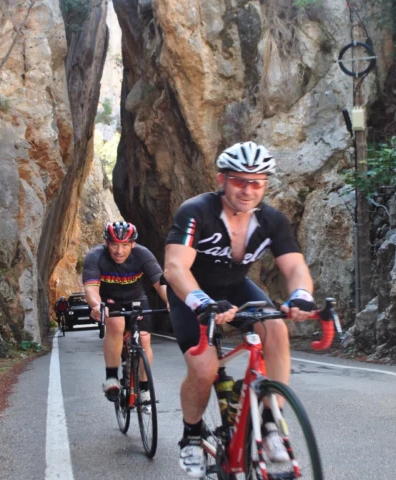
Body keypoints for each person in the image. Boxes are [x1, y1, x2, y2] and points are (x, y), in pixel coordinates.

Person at [161, 141, 317, 478]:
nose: (248, 190)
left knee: (276, 329)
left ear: (265, 184)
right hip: (191, 291)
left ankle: (271, 424)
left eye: (256, 183)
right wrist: (201, 303)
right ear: (222, 180)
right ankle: (191, 435)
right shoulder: (196, 211)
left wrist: (302, 294)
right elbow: (175, 267)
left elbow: (294, 266)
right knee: (205, 369)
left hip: (235, 287)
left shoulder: (272, 220)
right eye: (239, 181)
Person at [81, 221, 169, 406]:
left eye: (125, 245)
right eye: (114, 244)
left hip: (137, 298)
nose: (119, 251)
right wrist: (96, 305)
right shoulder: (95, 256)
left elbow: (159, 281)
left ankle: (144, 389)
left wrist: (171, 301)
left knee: (144, 339)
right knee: (116, 324)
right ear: (106, 243)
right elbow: (91, 288)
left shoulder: (143, 254)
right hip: (110, 300)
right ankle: (111, 378)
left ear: (133, 244)